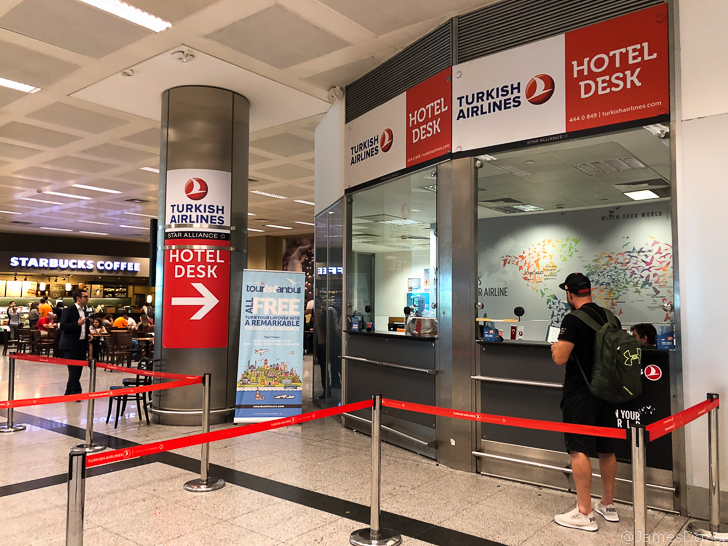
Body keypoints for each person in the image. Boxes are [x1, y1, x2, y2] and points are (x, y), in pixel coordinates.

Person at [550, 273, 619, 532]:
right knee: (606, 447)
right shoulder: (610, 317)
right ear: (589, 291)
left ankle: (584, 512)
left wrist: (556, 348)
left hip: (581, 393)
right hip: (608, 392)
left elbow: (560, 358)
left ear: (569, 294)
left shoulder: (572, 319)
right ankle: (608, 505)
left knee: (579, 447)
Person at [59, 289, 91, 395]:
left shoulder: (85, 311)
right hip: (70, 344)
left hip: (81, 344)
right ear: (78, 298)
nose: (87, 299)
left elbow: (83, 328)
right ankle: (77, 393)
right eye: (85, 297)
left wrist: (88, 335)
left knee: (78, 370)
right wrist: (76, 324)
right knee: (73, 370)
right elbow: (62, 326)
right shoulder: (69, 310)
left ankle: (69, 392)